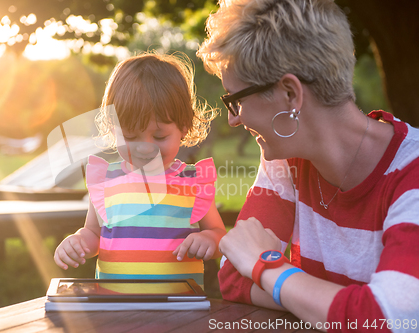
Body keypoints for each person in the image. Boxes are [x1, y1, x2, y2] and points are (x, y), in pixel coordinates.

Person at [197, 0, 418, 331]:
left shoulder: (411, 173)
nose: (232, 119)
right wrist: (340, 305)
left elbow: (387, 319)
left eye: (236, 100)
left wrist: (266, 268)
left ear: (290, 94)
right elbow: (232, 274)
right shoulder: (285, 157)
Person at [54, 53, 226, 288]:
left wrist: (209, 239)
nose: (145, 148)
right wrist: (78, 241)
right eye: (130, 136)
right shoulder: (105, 181)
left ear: (183, 128)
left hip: (178, 310)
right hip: (116, 308)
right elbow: (93, 233)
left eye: (159, 136)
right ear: (113, 130)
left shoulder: (193, 183)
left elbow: (218, 234)